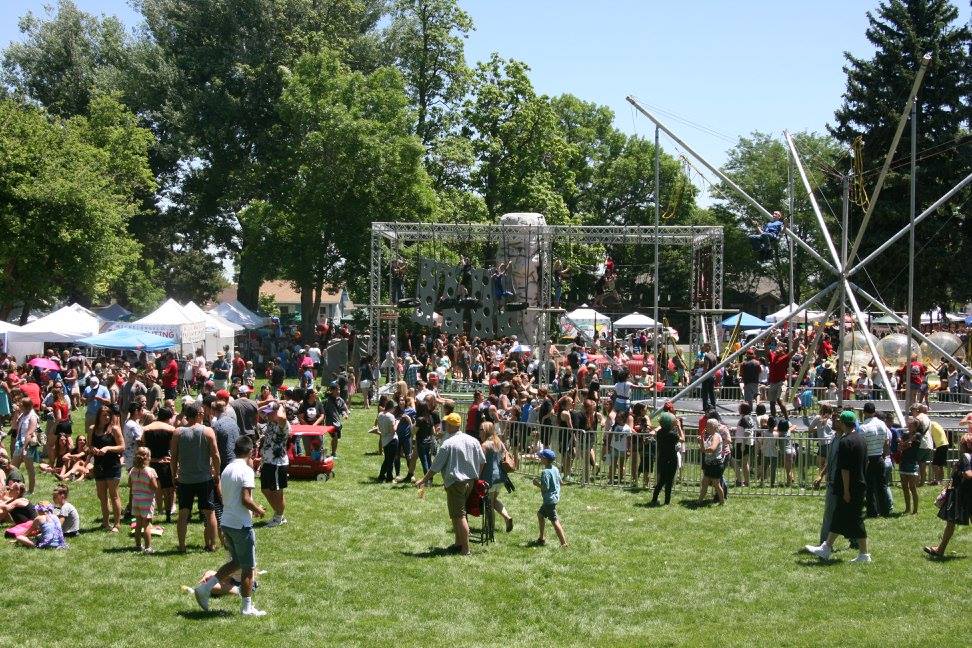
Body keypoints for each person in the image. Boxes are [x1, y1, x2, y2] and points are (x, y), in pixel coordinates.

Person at [193, 436, 267, 616]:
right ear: (251, 451)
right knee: (248, 567)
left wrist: (251, 507)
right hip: (241, 524)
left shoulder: (227, 469)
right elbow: (245, 499)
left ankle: (205, 589)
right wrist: (260, 510)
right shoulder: (247, 470)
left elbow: (233, 496)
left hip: (226, 521)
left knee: (236, 562)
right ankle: (246, 608)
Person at [805, 410, 871, 563]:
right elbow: (865, 463)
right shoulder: (861, 439)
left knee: (855, 519)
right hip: (859, 484)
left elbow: (845, 469)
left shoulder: (845, 441)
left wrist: (846, 490)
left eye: (839, 420)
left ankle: (864, 554)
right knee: (840, 517)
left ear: (843, 422)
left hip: (848, 487)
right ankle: (826, 547)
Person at [415, 412, 485, 556]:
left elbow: (435, 466)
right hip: (470, 481)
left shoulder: (448, 443)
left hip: (455, 482)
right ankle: (458, 543)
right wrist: (476, 476)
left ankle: (465, 549)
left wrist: (423, 479)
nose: (444, 425)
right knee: (457, 514)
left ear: (452, 425)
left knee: (459, 515)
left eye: (446, 423)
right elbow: (482, 461)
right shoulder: (473, 440)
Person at [171, 403, 221, 552]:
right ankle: (211, 544)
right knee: (209, 512)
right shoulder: (208, 431)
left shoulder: (178, 432)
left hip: (185, 480)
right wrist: (217, 474)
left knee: (183, 513)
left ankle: (181, 546)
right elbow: (216, 455)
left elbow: (173, 457)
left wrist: (174, 475)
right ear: (199, 414)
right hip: (204, 478)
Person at [923, 432, 972, 558]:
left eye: (961, 444)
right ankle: (940, 549)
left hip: (962, 494)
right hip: (967, 493)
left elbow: (968, 474)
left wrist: (961, 472)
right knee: (950, 523)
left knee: (950, 523)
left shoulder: (966, 456)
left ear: (965, 445)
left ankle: (940, 550)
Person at [88, 404, 124, 532]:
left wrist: (108, 448)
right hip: (99, 465)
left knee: (114, 495)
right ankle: (105, 522)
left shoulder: (114, 429)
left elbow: (122, 447)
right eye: (104, 415)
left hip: (112, 464)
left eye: (109, 415)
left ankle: (117, 523)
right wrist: (93, 449)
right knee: (102, 496)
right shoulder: (92, 429)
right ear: (98, 416)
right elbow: (89, 446)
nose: (107, 417)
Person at [142, 408, 176, 522]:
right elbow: (173, 448)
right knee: (168, 490)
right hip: (165, 462)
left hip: (151, 462)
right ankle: (168, 515)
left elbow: (144, 446)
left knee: (150, 489)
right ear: (168, 418)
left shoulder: (146, 429)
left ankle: (147, 514)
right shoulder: (171, 429)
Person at [859, 402, 893, 517]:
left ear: (864, 412)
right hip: (880, 457)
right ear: (874, 411)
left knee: (869, 487)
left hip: (869, 458)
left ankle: (872, 511)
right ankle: (885, 510)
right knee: (882, 485)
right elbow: (886, 441)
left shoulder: (863, 427)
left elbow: (862, 445)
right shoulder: (882, 424)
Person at [258, 403, 290, 527]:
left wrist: (281, 407)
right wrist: (271, 401)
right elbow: (258, 410)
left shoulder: (283, 425)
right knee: (265, 490)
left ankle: (279, 517)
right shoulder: (271, 421)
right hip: (267, 461)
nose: (267, 414)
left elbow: (282, 418)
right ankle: (279, 515)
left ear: (277, 413)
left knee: (277, 492)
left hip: (277, 463)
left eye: (270, 412)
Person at [479, 421, 514, 533]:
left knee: (489, 503)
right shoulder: (499, 442)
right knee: (493, 500)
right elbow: (505, 454)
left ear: (486, 431)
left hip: (489, 478)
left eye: (480, 430)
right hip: (500, 477)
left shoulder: (484, 445)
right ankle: (507, 517)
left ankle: (490, 528)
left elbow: (482, 462)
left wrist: (477, 477)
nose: (479, 432)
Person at [533, 448, 567, 547]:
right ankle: (541, 537)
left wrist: (536, 484)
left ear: (545, 459)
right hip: (555, 497)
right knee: (540, 514)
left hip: (549, 500)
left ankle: (564, 544)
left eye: (541, 457)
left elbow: (545, 488)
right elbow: (561, 482)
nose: (539, 459)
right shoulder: (555, 468)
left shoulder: (545, 472)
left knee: (555, 521)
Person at [128, 447, 159, 553]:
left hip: (136, 499)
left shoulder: (132, 470)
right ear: (148, 458)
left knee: (138, 524)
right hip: (147, 500)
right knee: (146, 525)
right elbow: (155, 487)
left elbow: (129, 484)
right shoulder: (150, 471)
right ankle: (148, 547)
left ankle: (137, 545)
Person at [651, 409, 683, 506]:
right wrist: (679, 427)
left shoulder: (660, 432)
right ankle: (667, 501)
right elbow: (682, 439)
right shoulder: (672, 434)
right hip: (671, 459)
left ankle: (654, 499)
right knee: (669, 481)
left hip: (662, 458)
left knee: (661, 481)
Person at [11, 397, 39, 494]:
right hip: (20, 443)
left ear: (25, 406)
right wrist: (16, 413)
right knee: (13, 467)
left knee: (29, 468)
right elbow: (14, 426)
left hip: (27, 446)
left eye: (20, 404)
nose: (18, 406)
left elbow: (30, 433)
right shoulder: (23, 414)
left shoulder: (32, 416)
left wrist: (24, 449)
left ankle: (31, 491)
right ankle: (14, 488)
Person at [699, 419, 725, 505]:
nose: (706, 427)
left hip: (716, 464)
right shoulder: (710, 436)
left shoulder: (716, 436)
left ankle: (722, 502)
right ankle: (699, 501)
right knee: (705, 483)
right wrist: (702, 439)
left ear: (714, 427)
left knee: (716, 484)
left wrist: (704, 450)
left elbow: (712, 449)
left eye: (709, 426)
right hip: (709, 464)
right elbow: (703, 449)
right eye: (707, 425)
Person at [322, 383, 349, 459]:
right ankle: (333, 453)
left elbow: (343, 409)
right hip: (330, 423)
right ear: (332, 390)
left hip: (337, 423)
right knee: (335, 437)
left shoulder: (340, 400)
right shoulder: (327, 400)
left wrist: (345, 414)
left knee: (336, 438)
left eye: (339, 389)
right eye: (337, 389)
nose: (338, 391)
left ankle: (333, 452)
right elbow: (322, 411)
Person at [375, 400, 398, 483]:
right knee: (390, 460)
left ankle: (381, 475)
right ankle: (389, 478)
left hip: (384, 439)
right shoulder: (390, 416)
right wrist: (396, 423)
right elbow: (393, 431)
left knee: (387, 459)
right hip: (392, 440)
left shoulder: (380, 414)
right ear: (392, 408)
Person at [700, 343, 717, 412]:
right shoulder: (714, 355)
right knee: (711, 392)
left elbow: (705, 368)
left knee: (705, 393)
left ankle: (705, 407)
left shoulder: (706, 356)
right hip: (712, 376)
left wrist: (702, 376)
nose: (703, 348)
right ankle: (713, 406)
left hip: (707, 376)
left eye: (704, 347)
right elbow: (715, 367)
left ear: (708, 347)